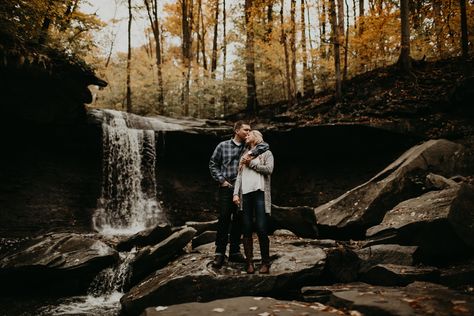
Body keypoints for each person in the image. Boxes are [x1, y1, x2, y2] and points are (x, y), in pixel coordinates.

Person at [209, 121, 269, 268]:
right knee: (224, 218)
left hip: (243, 188)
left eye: (250, 130)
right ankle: (219, 253)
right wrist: (221, 180)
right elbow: (213, 164)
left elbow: (265, 146)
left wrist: (250, 153)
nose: (248, 132)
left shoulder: (247, 146)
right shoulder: (222, 146)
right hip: (227, 186)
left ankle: (235, 251)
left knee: (239, 219)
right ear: (236, 130)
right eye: (246, 130)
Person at [233, 130, 274, 274]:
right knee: (247, 228)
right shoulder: (244, 154)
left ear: (256, 137)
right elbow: (239, 176)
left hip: (260, 194)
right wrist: (235, 194)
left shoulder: (266, 153)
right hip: (245, 195)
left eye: (249, 134)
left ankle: (265, 263)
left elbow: (269, 169)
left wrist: (251, 164)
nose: (246, 136)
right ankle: (249, 262)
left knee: (262, 228)